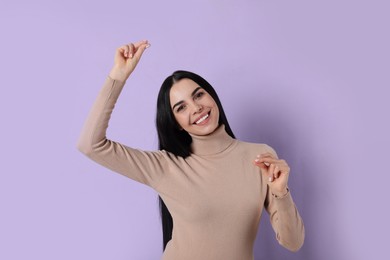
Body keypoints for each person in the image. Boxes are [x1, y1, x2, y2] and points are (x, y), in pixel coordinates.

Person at [77, 40, 305, 259]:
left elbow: (293, 242)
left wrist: (280, 193)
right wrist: (118, 76)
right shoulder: (165, 166)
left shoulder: (260, 157)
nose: (196, 108)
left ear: (211, 95)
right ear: (175, 122)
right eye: (181, 107)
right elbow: (90, 145)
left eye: (198, 95)